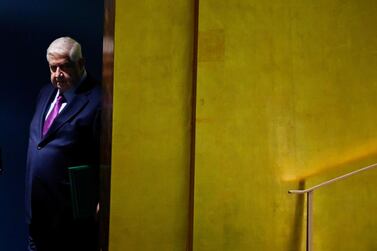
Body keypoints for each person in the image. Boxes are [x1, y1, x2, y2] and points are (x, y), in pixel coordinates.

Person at [25, 37, 101, 251]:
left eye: (64, 67)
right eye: (53, 68)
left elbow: (105, 157)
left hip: (69, 220)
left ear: (81, 64)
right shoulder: (45, 93)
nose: (57, 75)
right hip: (37, 215)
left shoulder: (97, 100)